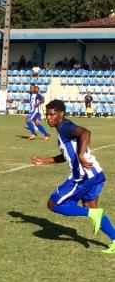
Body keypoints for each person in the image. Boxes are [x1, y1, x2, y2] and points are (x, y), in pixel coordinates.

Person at [31, 100, 115, 253]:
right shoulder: (63, 129)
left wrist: (81, 155)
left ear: (61, 114)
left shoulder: (64, 126)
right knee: (91, 207)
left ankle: (93, 214)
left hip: (83, 177)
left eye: (52, 114)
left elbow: (85, 132)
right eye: (47, 114)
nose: (48, 118)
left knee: (53, 204)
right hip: (96, 174)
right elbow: (66, 156)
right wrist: (45, 160)